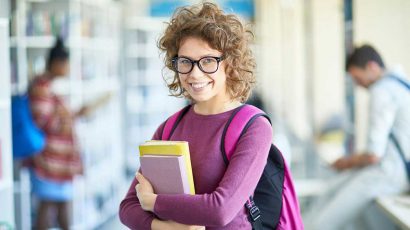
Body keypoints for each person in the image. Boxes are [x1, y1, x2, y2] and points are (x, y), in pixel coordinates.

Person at [119, 3, 275, 229]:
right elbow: (127, 208)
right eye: (185, 62)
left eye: (208, 61)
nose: (195, 73)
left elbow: (220, 210)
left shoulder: (253, 126)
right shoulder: (169, 128)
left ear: (230, 64)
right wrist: (170, 228)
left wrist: (154, 202)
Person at [306, 45, 410, 229]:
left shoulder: (382, 90)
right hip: (396, 169)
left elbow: (373, 155)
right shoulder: (400, 83)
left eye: (357, 77)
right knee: (331, 191)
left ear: (372, 67)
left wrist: (345, 163)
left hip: (390, 174)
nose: (357, 84)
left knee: (323, 221)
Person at [27, 37, 90, 230]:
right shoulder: (41, 87)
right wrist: (70, 117)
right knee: (47, 208)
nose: (68, 68)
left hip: (58, 162)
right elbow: (43, 121)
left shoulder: (48, 87)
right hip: (49, 161)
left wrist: (70, 115)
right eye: (66, 64)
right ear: (57, 63)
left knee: (62, 208)